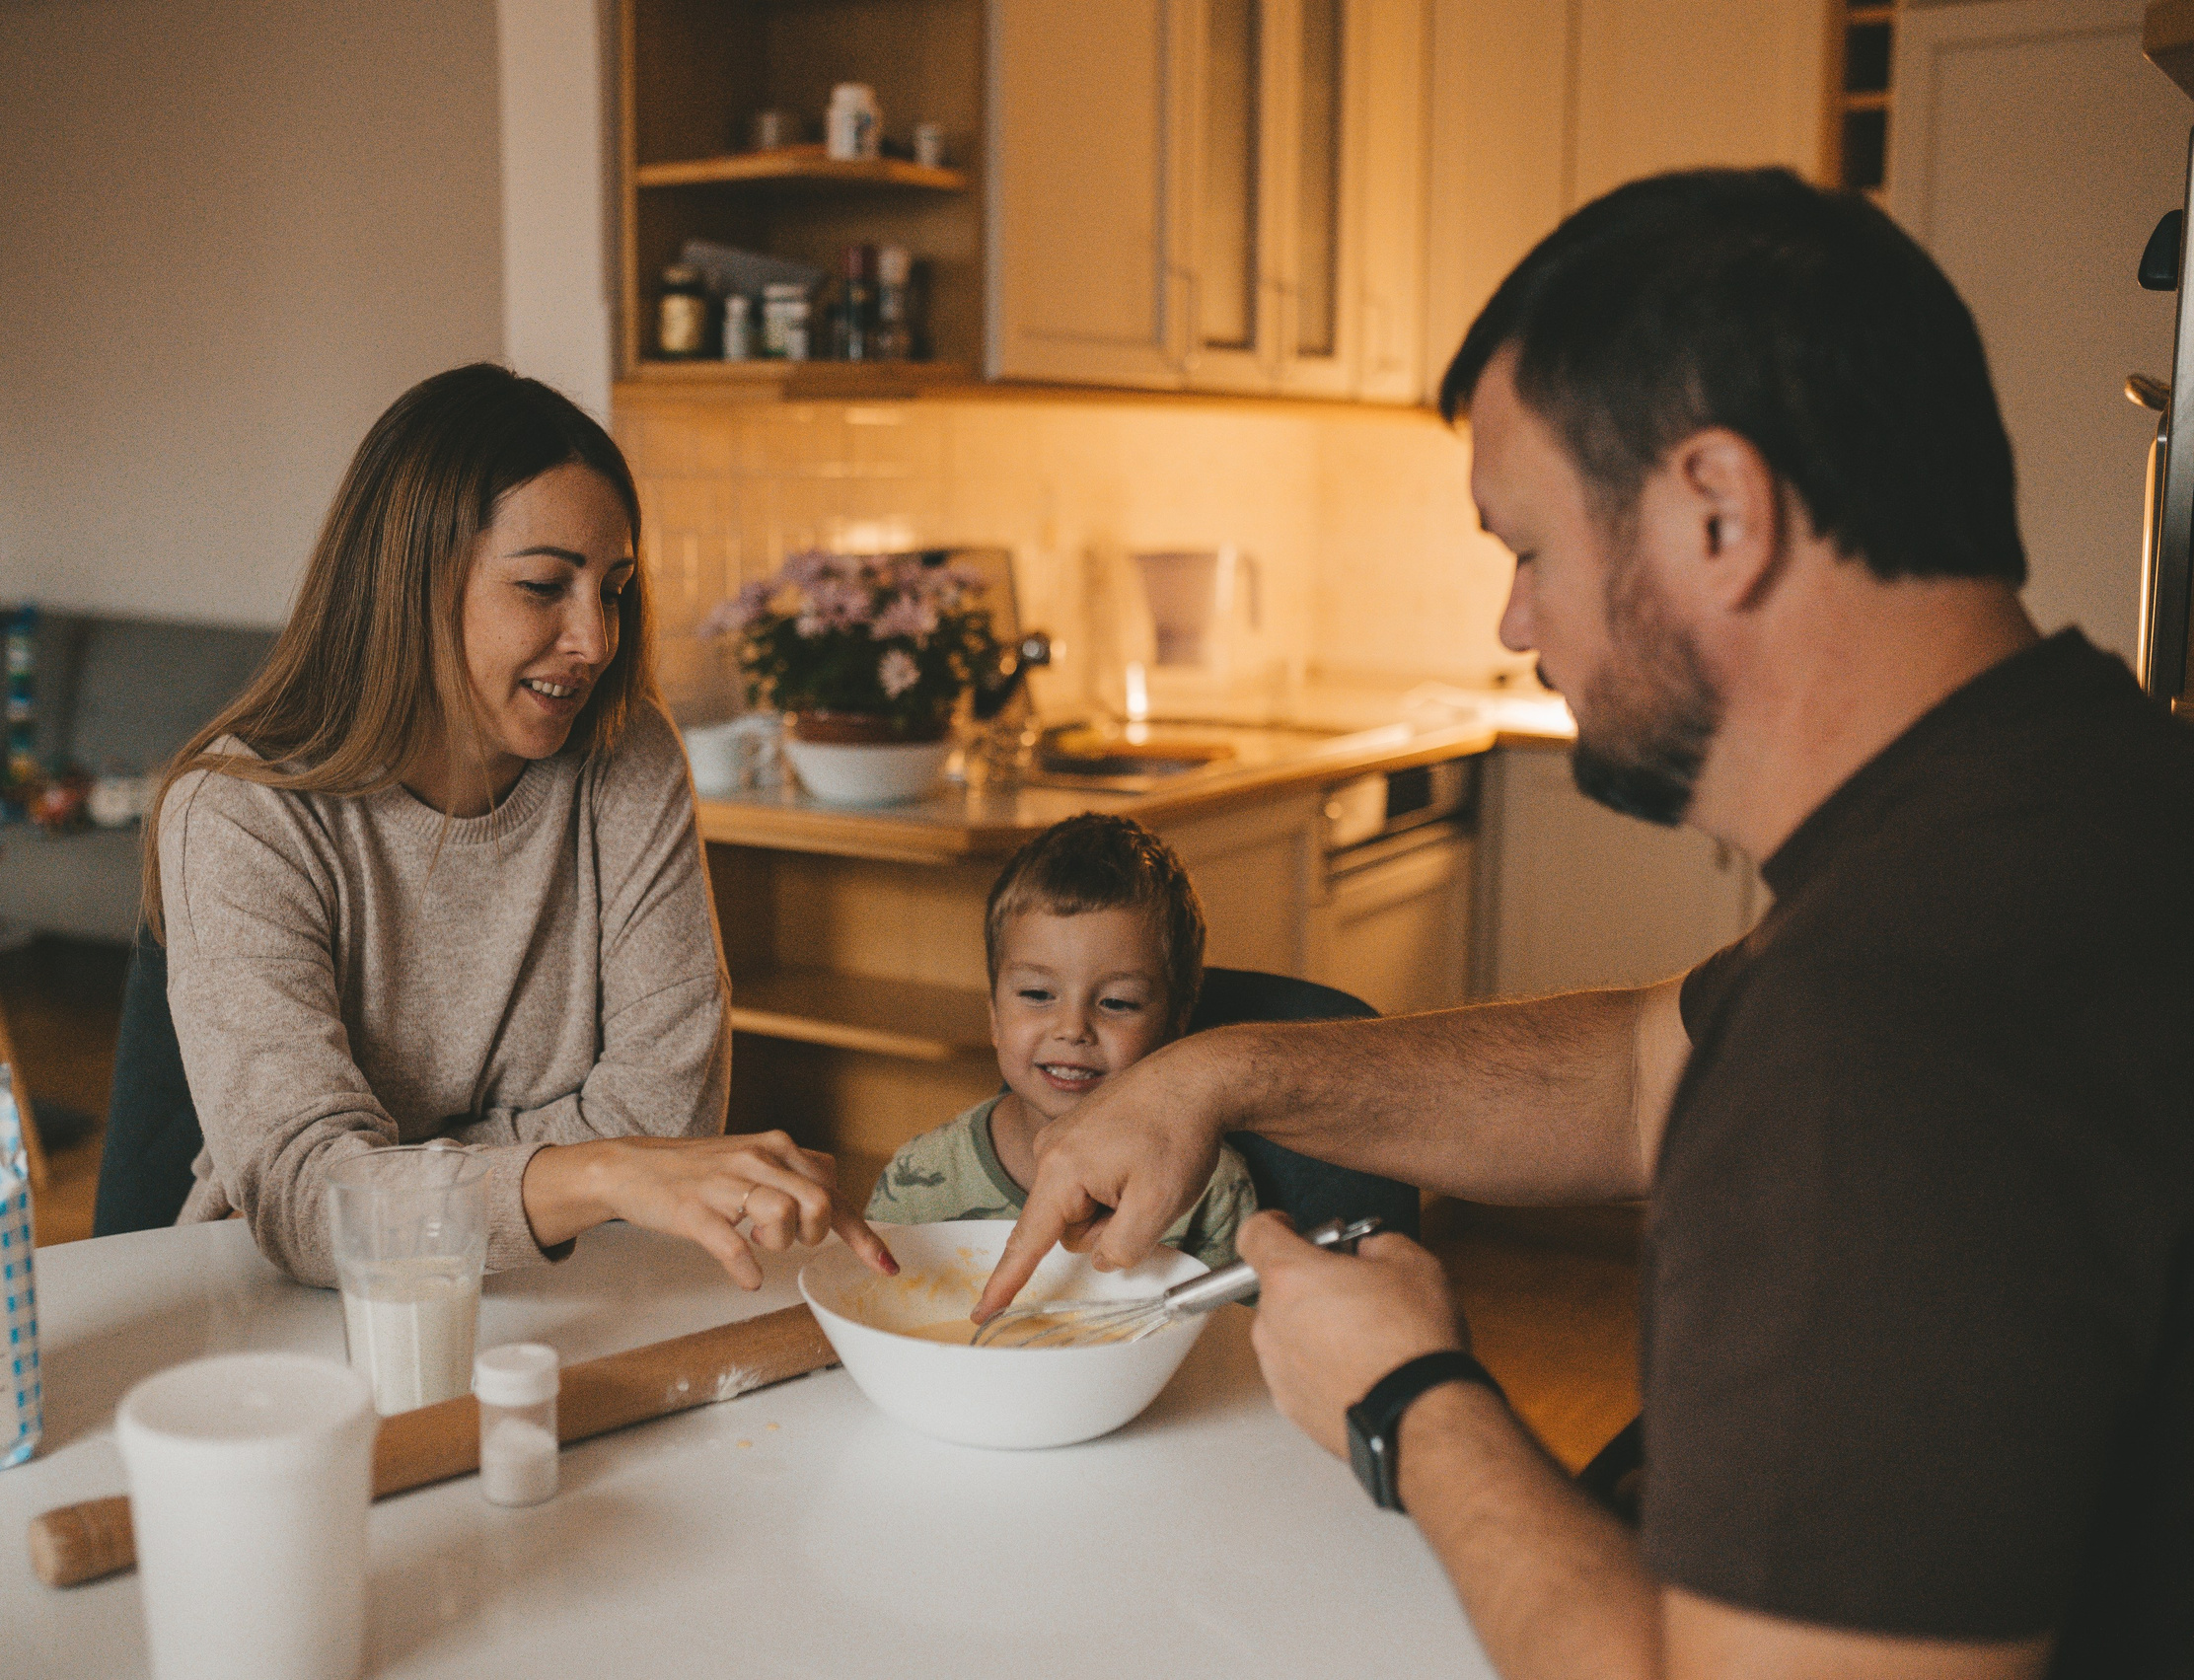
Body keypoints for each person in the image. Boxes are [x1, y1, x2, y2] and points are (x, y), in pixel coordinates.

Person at [973, 170, 2193, 1679]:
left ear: (1721, 513)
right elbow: (1637, 1067)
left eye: (1529, 548)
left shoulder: (1890, 1024)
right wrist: (1208, 1075)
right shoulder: (2073, 795)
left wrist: (1405, 1392)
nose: (1515, 622)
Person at [144, 363, 895, 1291]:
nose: (596, 640)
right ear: (409, 581)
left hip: (586, 1282)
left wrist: (411, 1169)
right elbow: (310, 1201)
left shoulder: (629, 750)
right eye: (544, 586)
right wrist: (604, 1166)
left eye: (613, 589)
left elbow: (671, 1116)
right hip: (308, 1307)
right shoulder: (240, 813)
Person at [864, 814, 1258, 1265]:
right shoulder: (923, 1179)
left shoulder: (1209, 1185)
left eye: (1117, 1002)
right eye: (1036, 994)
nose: (1072, 1028)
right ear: (994, 1016)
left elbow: (1236, 1331)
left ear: (1174, 1025)